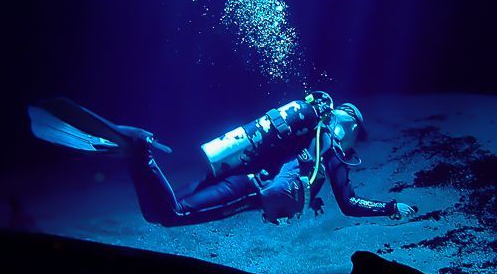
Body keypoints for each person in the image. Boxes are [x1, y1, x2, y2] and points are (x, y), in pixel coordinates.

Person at [29, 92, 417, 227]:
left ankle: (136, 157)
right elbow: (349, 204)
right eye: (356, 132)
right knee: (174, 214)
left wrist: (312, 196)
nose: (353, 142)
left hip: (238, 166)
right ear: (347, 123)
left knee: (158, 214)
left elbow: (290, 158)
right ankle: (140, 152)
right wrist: (389, 206)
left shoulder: (310, 129)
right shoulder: (329, 144)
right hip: (252, 187)